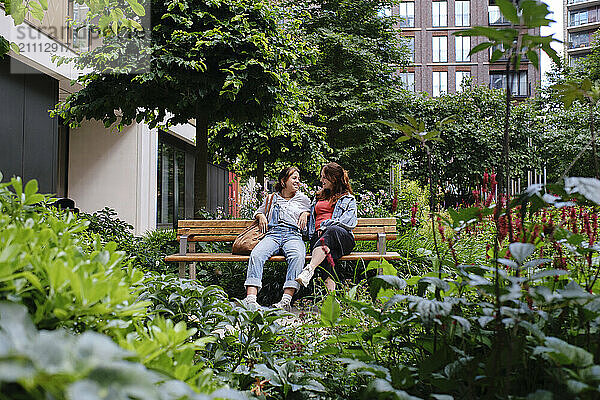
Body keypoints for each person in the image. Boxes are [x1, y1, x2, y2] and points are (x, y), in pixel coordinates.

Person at [243, 166, 311, 310]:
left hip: (293, 235)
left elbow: (313, 212)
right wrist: (260, 216)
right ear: (283, 181)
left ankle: (285, 300)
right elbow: (259, 211)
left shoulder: (304, 199)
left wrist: (306, 213)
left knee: (298, 256)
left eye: (298, 179)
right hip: (273, 234)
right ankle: (250, 299)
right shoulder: (271, 198)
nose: (298, 182)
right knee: (257, 254)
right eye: (294, 178)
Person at [296, 162, 357, 292]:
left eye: (324, 177)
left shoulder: (348, 199)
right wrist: (305, 213)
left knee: (331, 231)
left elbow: (348, 222)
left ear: (333, 179)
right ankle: (332, 297)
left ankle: (310, 268)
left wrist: (325, 226)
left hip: (342, 238)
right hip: (319, 238)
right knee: (327, 255)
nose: (321, 180)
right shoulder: (319, 196)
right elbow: (311, 213)